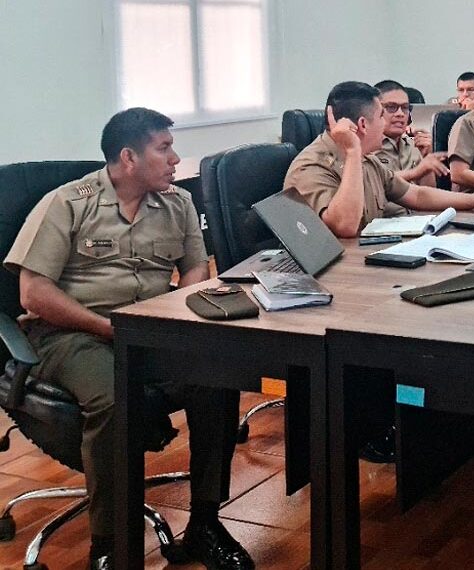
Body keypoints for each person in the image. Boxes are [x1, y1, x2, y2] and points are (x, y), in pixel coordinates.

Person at [3, 108, 252, 570]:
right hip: (72, 333)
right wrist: (112, 328)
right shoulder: (67, 204)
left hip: (150, 329)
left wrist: (180, 313)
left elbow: (197, 269)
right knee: (118, 398)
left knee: (216, 377)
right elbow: (34, 293)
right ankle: (111, 547)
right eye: (164, 148)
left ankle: (204, 524)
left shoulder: (176, 203)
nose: (176, 159)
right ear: (128, 157)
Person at [284, 81, 474, 238]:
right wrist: (352, 151)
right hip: (337, 282)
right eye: (382, 115)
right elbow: (345, 226)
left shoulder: (367, 161)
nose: (387, 121)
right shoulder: (312, 166)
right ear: (362, 125)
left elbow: (417, 195)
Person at [372, 79, 449, 187]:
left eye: (405, 108)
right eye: (391, 107)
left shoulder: (414, 144)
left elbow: (427, 192)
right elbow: (373, 181)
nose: (400, 114)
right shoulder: (367, 145)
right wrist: (416, 172)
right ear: (375, 109)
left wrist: (427, 157)